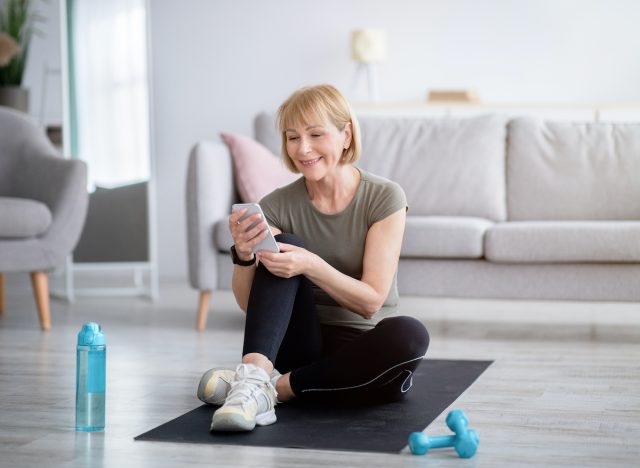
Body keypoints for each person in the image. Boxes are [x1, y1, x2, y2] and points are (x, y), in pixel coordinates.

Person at [197, 84, 429, 432]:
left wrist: (311, 264)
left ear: (346, 135)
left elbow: (370, 303)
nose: (302, 149)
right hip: (302, 343)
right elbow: (253, 307)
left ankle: (270, 389)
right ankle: (256, 376)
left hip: (361, 346)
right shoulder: (275, 205)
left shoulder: (384, 197)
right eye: (292, 137)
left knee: (410, 335)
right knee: (284, 243)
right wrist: (244, 256)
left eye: (315, 134)